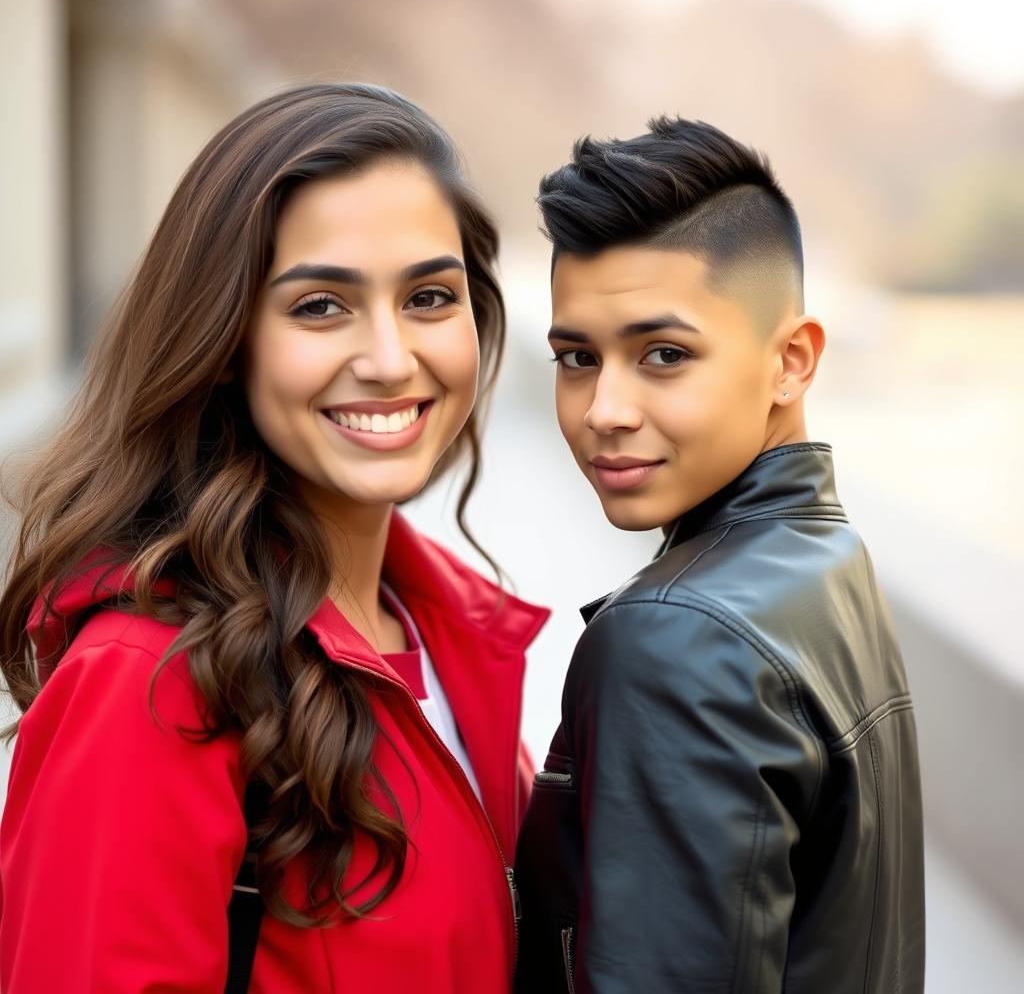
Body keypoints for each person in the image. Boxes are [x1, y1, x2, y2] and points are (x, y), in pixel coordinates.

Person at [0, 83, 548, 993]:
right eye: (321, 306)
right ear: (226, 341)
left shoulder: (452, 639)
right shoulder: (150, 682)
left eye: (429, 297)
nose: (387, 358)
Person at [514, 118, 925, 993]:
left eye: (664, 355)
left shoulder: (676, 639)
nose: (603, 410)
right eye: (577, 357)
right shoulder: (827, 558)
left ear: (791, 362)